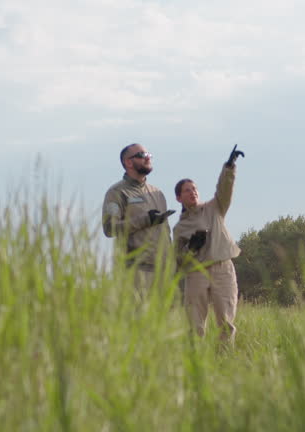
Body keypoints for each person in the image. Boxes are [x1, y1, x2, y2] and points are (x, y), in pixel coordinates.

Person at [172, 144, 245, 344]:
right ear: (178, 197)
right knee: (195, 325)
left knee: (226, 322)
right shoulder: (179, 228)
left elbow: (224, 189)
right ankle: (196, 364)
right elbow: (178, 260)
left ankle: (225, 361)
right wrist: (191, 248)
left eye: (194, 189)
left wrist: (229, 167)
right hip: (196, 273)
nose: (192, 192)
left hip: (223, 268)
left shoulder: (215, 208)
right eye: (187, 191)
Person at [102, 142, 175, 296]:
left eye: (149, 155)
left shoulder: (157, 193)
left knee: (163, 320)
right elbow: (110, 228)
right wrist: (145, 219)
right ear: (128, 162)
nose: (148, 158)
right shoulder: (117, 192)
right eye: (142, 155)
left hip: (163, 272)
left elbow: (165, 232)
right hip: (136, 272)